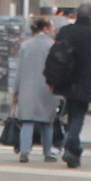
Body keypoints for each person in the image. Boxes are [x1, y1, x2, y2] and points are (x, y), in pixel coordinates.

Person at [49, 4, 91, 171]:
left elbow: (56, 54)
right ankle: (71, 140)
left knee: (70, 111)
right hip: (86, 81)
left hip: (66, 78)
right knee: (78, 114)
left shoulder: (66, 31)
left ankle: (73, 152)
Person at [11, 15, 57, 163]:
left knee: (27, 121)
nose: (53, 30)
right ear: (45, 28)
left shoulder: (25, 45)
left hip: (27, 88)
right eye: (51, 27)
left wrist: (16, 90)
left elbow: (19, 70)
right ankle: (47, 152)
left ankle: (25, 151)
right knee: (47, 122)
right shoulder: (53, 45)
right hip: (48, 87)